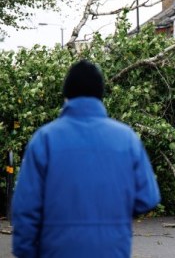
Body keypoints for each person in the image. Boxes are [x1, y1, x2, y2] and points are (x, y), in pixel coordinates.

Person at [11, 60, 161, 258]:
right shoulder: (127, 138)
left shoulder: (44, 139)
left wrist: (26, 251)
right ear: (100, 96)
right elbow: (147, 198)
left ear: (66, 96)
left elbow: (26, 207)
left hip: (56, 250)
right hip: (112, 250)